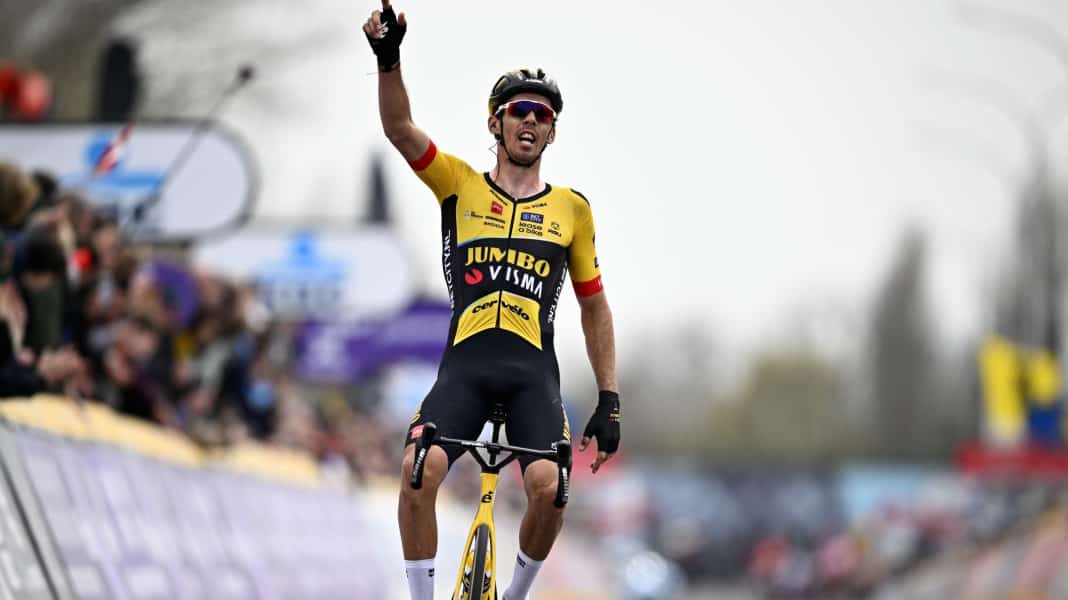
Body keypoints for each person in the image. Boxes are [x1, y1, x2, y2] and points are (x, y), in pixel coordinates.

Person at [363, 2, 622, 599]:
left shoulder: (572, 210)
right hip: (466, 370)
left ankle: (515, 595)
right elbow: (401, 130)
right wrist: (389, 60)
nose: (531, 120)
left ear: (552, 131)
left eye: (544, 114)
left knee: (550, 487)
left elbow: (594, 307)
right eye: (519, 110)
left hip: (533, 376)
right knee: (417, 468)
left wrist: (609, 397)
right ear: (495, 123)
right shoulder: (459, 184)